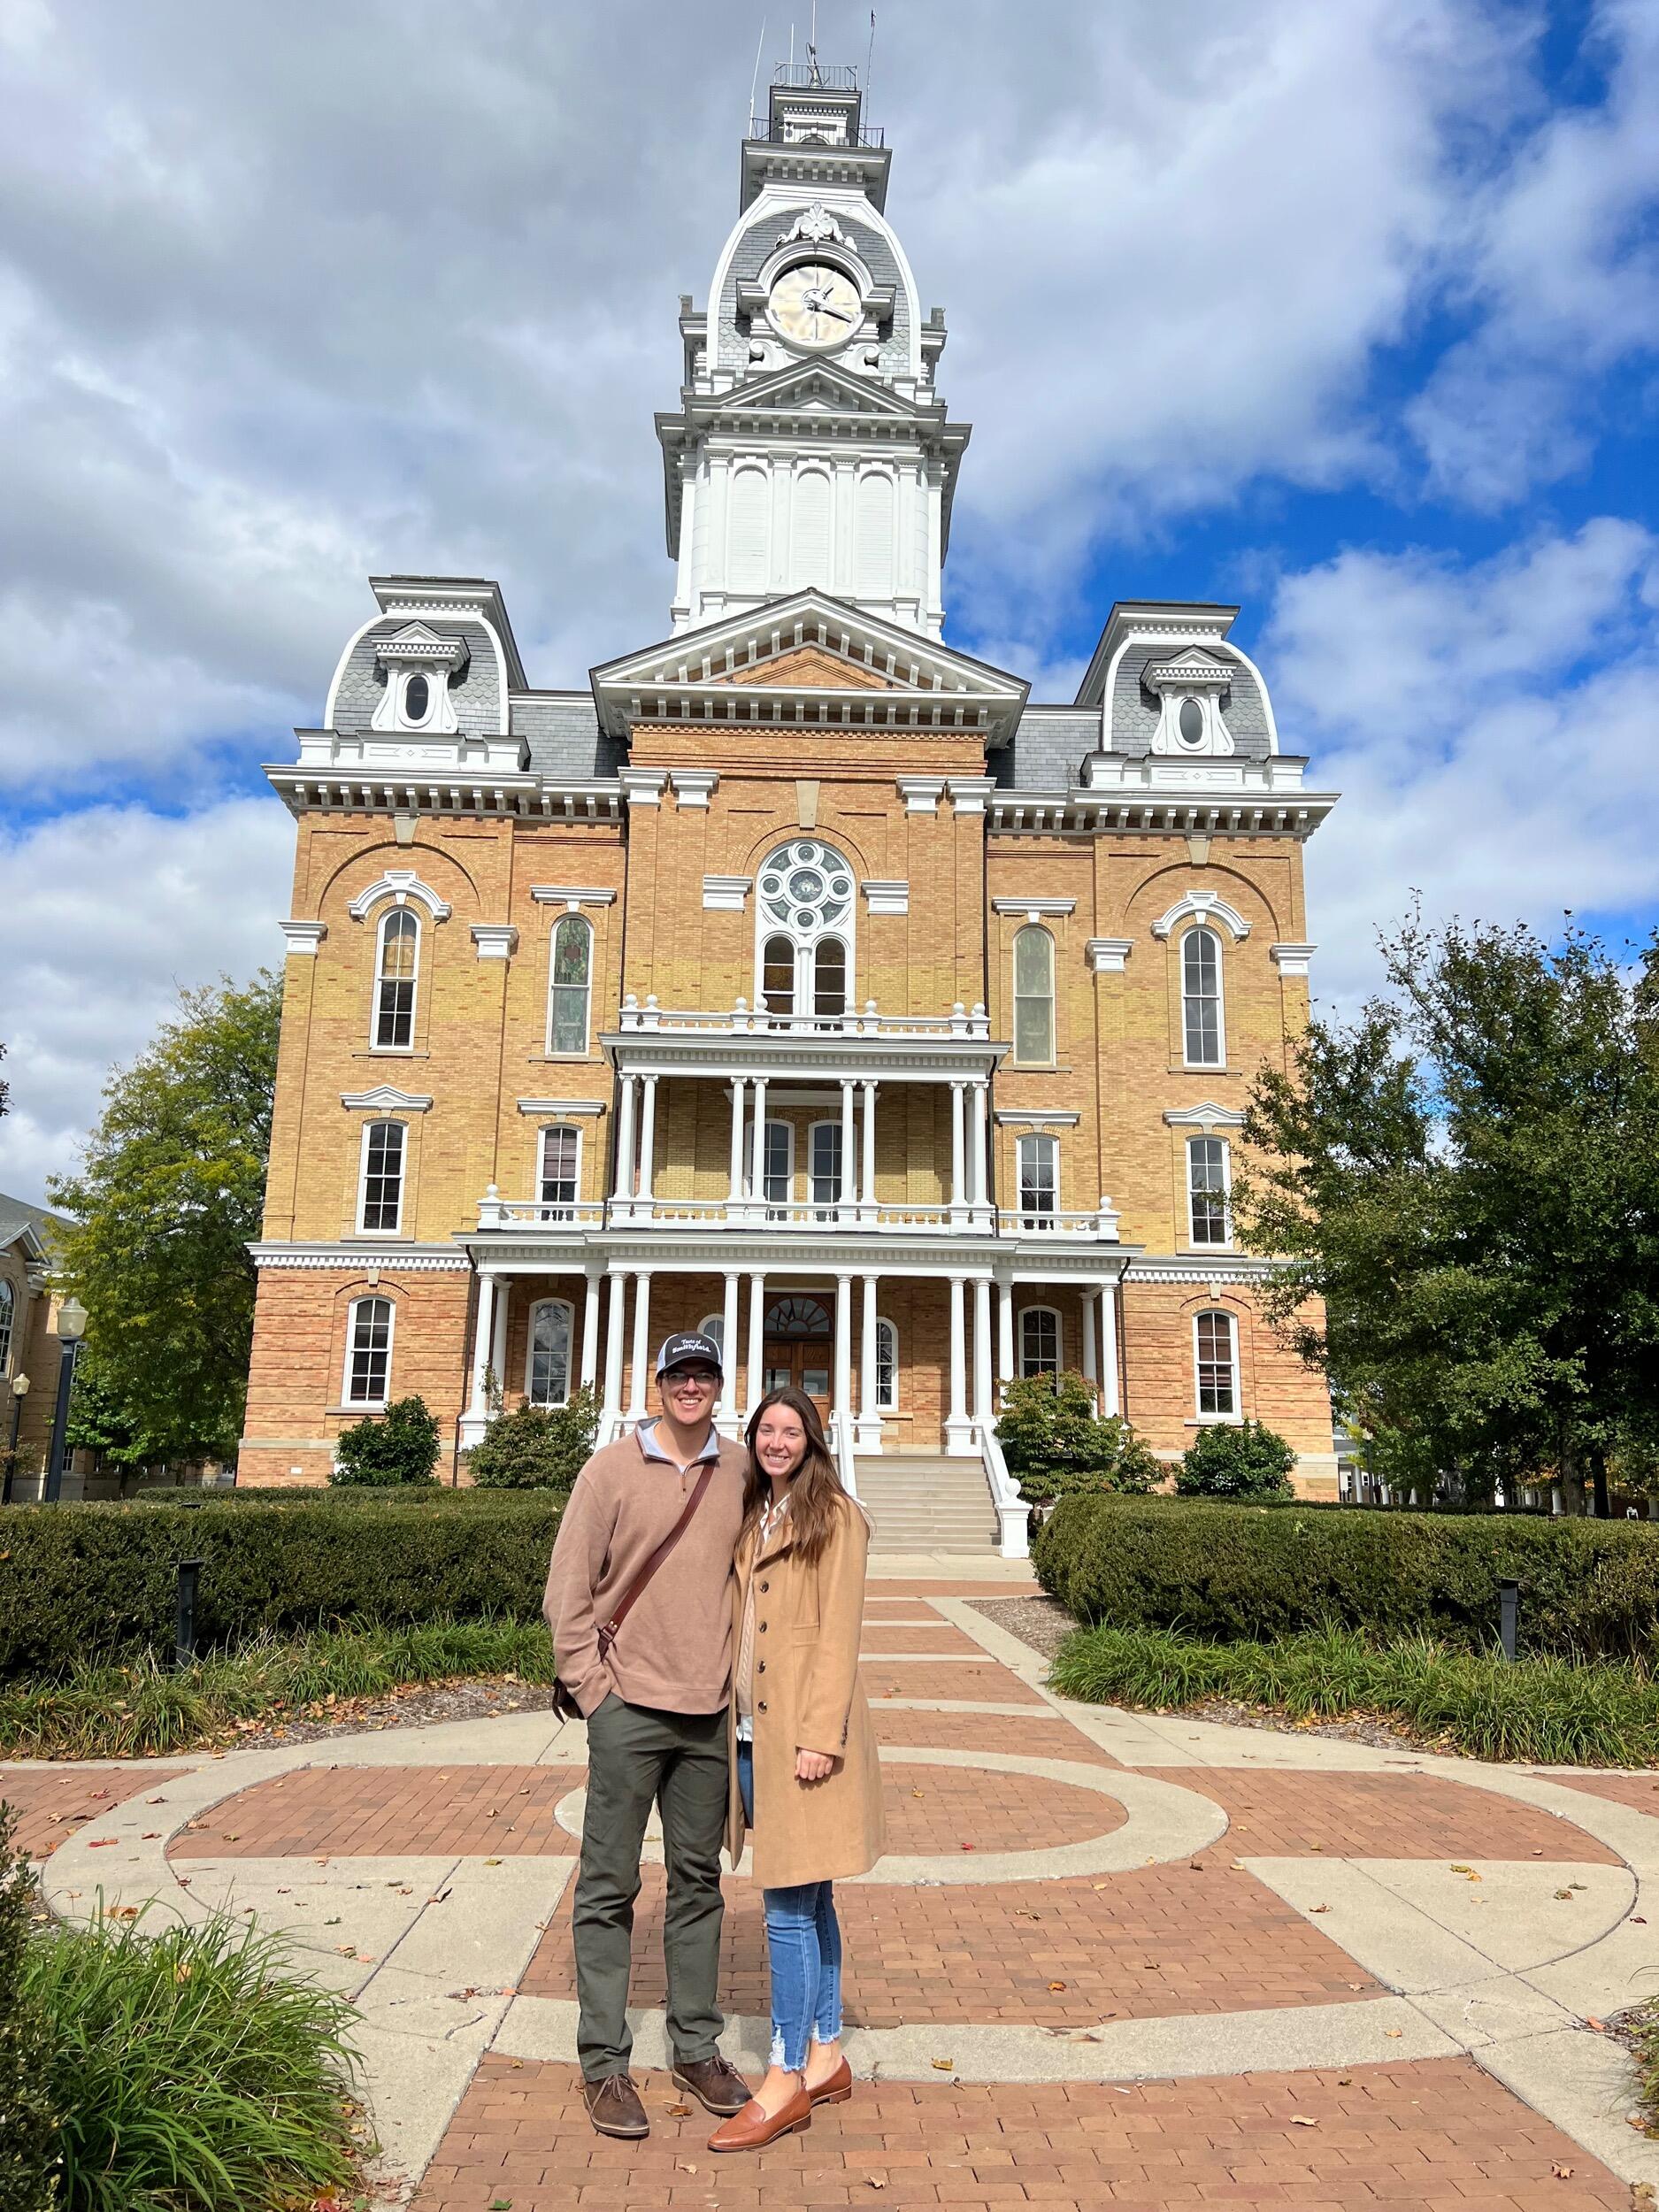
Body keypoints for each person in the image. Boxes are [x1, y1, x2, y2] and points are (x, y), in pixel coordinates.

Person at [542, 1330, 751, 2141]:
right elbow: (568, 1586)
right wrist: (593, 1691)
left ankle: (694, 2046)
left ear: (717, 1385)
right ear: (657, 1383)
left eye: (703, 1374)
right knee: (609, 1884)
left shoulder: (739, 1470)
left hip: (708, 1712)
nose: (690, 1386)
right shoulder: (610, 1469)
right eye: (678, 1374)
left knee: (698, 1882)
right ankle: (604, 2063)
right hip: (627, 1707)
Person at [707, 1386, 887, 2154]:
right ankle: (826, 2052)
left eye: (791, 1432)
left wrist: (821, 1735)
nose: (777, 1442)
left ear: (813, 1441)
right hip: (748, 1735)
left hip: (802, 1742)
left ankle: (782, 2077)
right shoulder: (754, 1513)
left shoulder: (835, 1516)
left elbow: (838, 1633)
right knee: (811, 1901)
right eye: (765, 1431)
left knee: (784, 1906)